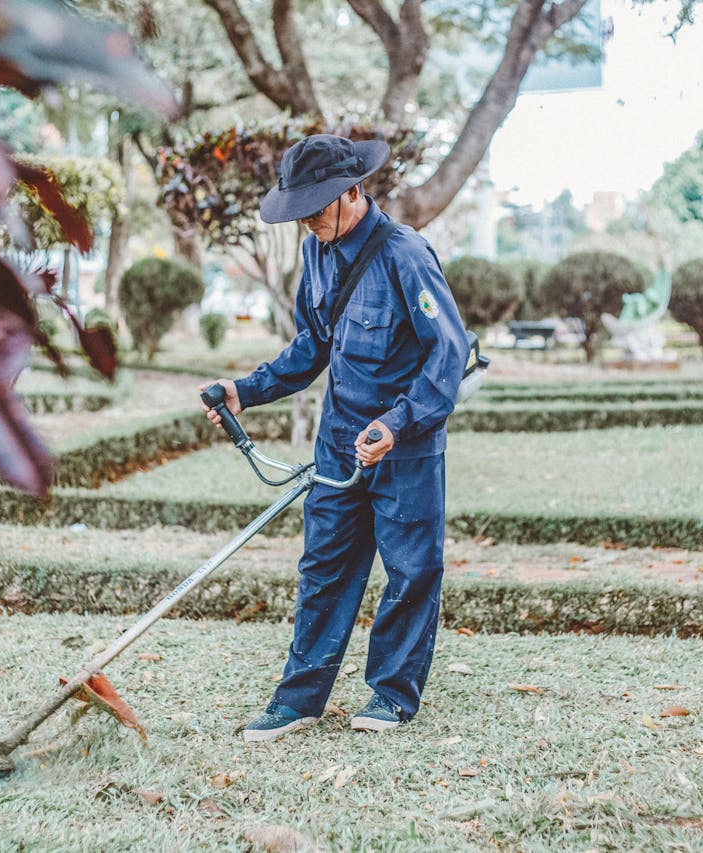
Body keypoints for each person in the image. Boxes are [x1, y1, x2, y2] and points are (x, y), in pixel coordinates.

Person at [201, 133, 470, 742]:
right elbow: (311, 346)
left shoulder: (406, 254)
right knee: (323, 569)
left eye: (317, 208)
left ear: (354, 192)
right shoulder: (317, 254)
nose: (310, 222)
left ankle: (392, 695)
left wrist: (397, 424)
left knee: (409, 571)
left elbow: (447, 355)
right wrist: (247, 389)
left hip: (405, 445)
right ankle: (299, 700)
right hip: (339, 442)